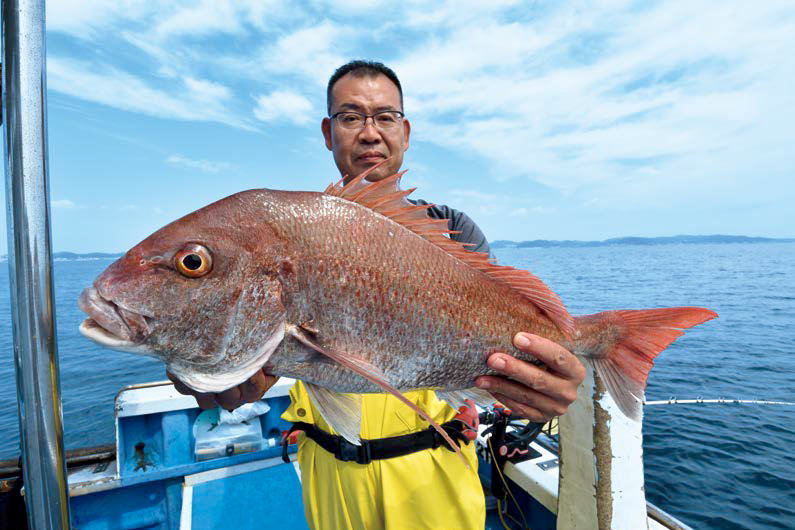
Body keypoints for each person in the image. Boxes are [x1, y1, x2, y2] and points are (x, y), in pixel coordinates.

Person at [171, 60, 585, 529]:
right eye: (351, 117)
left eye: (384, 117)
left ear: (404, 131)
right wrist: (220, 376)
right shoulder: (300, 232)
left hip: (434, 478)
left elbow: (496, 345)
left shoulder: (452, 230)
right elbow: (265, 368)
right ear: (328, 133)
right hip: (332, 474)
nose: (370, 133)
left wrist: (542, 379)